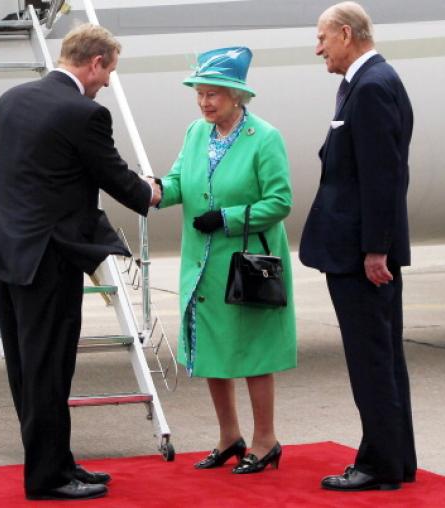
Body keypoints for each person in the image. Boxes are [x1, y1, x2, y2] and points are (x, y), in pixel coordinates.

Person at [0, 24, 160, 501]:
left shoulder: (11, 99)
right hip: (49, 261)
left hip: (8, 255)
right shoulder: (84, 113)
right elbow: (117, 178)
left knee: (27, 368)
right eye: (109, 70)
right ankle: (48, 478)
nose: (109, 82)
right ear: (94, 62)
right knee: (49, 369)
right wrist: (150, 191)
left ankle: (57, 460)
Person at [156, 46, 296, 474]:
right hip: (203, 262)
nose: (204, 102)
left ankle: (266, 439)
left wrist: (229, 218)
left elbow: (281, 201)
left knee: (254, 351)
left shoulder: (265, 138)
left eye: (213, 94)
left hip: (246, 264)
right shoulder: (196, 133)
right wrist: (153, 189)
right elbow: (179, 180)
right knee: (213, 348)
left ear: (238, 95)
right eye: (199, 93)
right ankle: (229, 435)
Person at [299, 1, 417, 491]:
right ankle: (395, 459)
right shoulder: (369, 83)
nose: (318, 48)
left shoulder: (370, 87)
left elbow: (382, 177)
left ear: (346, 34)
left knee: (372, 360)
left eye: (323, 38)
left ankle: (380, 466)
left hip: (360, 255)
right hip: (359, 249)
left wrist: (375, 249)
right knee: (382, 357)